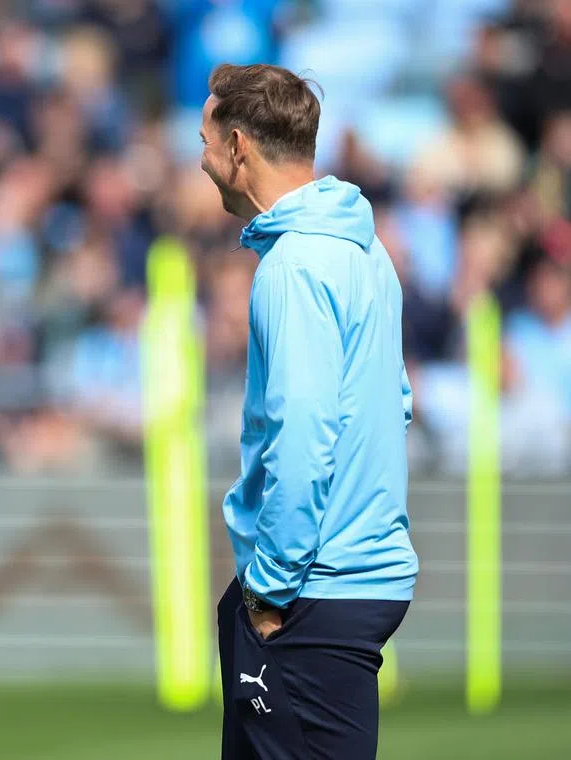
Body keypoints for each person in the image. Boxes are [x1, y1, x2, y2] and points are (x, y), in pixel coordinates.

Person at [198, 64, 419, 760]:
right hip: (350, 580)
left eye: (201, 140)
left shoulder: (294, 266)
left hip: (311, 591)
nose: (198, 159)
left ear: (238, 146)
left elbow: (302, 433)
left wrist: (267, 590)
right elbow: (398, 403)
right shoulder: (364, 250)